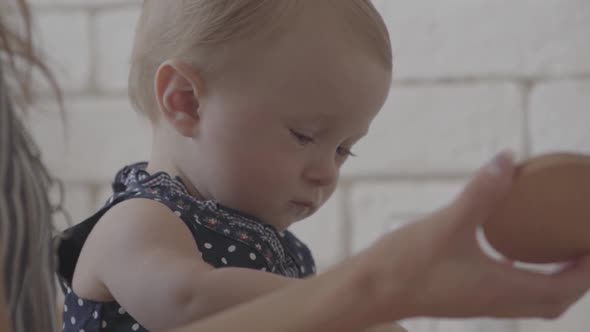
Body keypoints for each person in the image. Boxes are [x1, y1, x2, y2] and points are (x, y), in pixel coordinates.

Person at [3, 1, 590, 332]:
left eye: (343, 149)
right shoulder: (141, 221)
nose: (326, 172)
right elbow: (185, 301)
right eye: (305, 135)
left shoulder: (275, 249)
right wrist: (363, 298)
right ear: (184, 101)